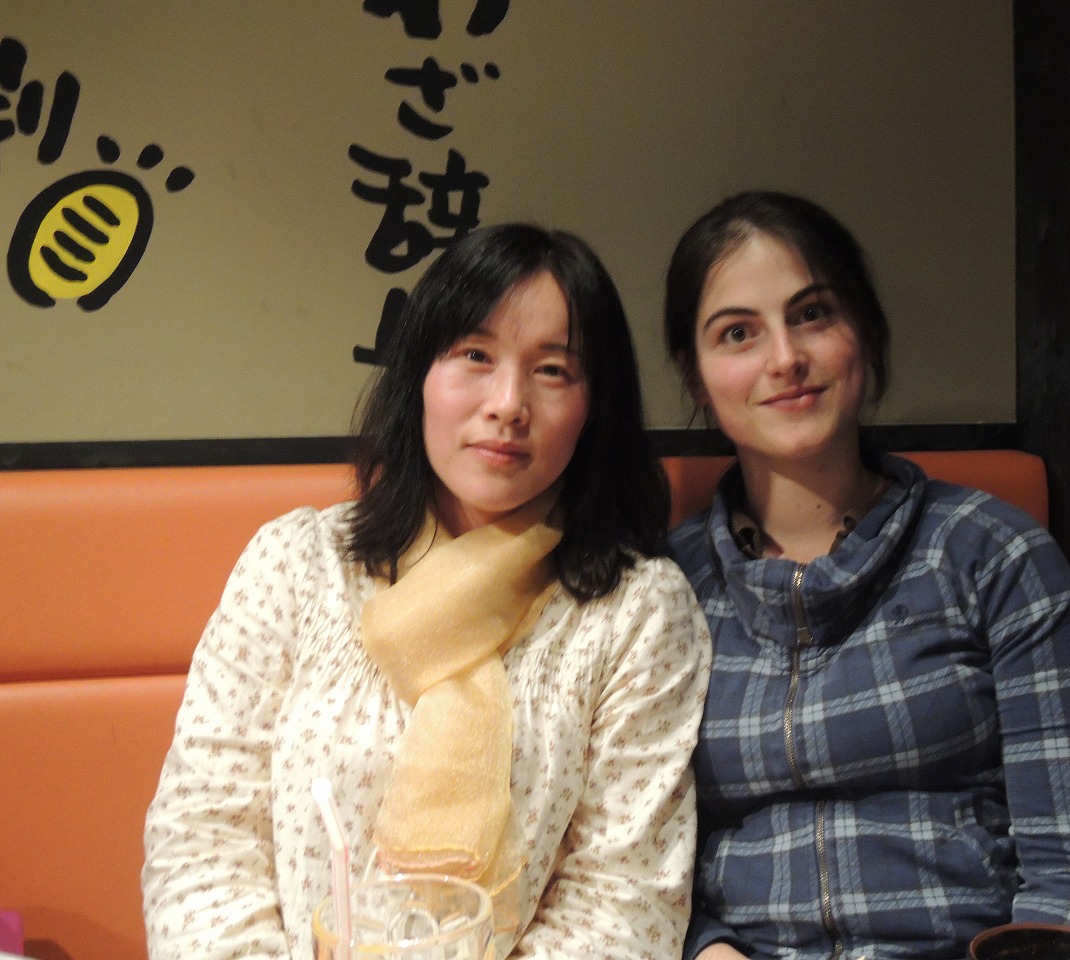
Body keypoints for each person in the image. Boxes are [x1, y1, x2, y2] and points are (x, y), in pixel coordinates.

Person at [143, 223, 712, 960]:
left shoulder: (636, 613)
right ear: (419, 373)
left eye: (552, 371)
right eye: (475, 355)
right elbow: (202, 841)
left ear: (594, 405)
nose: (508, 403)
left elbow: (624, 909)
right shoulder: (297, 564)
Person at [662, 191, 1070, 960]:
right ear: (695, 375)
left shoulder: (995, 554)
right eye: (738, 333)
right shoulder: (663, 592)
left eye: (812, 314)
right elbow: (629, 862)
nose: (784, 358)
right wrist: (705, 949)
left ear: (866, 331)